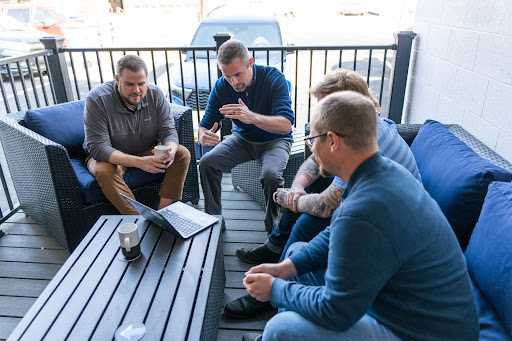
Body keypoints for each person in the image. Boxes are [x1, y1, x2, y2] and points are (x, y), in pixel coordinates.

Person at [241, 91, 479, 341]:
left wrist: (276, 289)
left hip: (421, 333)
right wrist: (285, 268)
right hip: (408, 305)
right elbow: (333, 236)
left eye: (313, 138)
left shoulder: (362, 211)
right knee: (296, 254)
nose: (311, 146)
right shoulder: (384, 172)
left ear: (332, 141)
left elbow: (337, 310)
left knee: (281, 328)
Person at [225, 68, 422, 319]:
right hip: (384, 221)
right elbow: (317, 165)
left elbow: (327, 206)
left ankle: (273, 295)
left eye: (325, 112)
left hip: (392, 241)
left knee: (308, 219)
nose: (317, 124)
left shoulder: (368, 159)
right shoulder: (363, 135)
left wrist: (292, 201)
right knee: (310, 191)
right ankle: (277, 252)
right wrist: (297, 188)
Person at [198, 39, 294, 233]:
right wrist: (203, 135)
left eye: (238, 74)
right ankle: (215, 221)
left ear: (250, 63)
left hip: (275, 140)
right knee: (207, 163)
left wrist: (252, 117)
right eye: (227, 76)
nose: (234, 82)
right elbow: (204, 125)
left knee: (270, 176)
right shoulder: (222, 86)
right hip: (242, 139)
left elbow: (286, 125)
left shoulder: (274, 78)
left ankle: (272, 230)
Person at [83, 54, 191, 215]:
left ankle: (163, 213)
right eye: (129, 84)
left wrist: (170, 151)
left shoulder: (155, 94)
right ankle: (139, 219)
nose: (137, 90)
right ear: (117, 80)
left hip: (146, 149)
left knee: (181, 153)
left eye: (141, 83)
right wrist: (139, 162)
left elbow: (168, 131)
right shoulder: (97, 99)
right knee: (103, 170)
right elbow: (98, 148)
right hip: (111, 158)